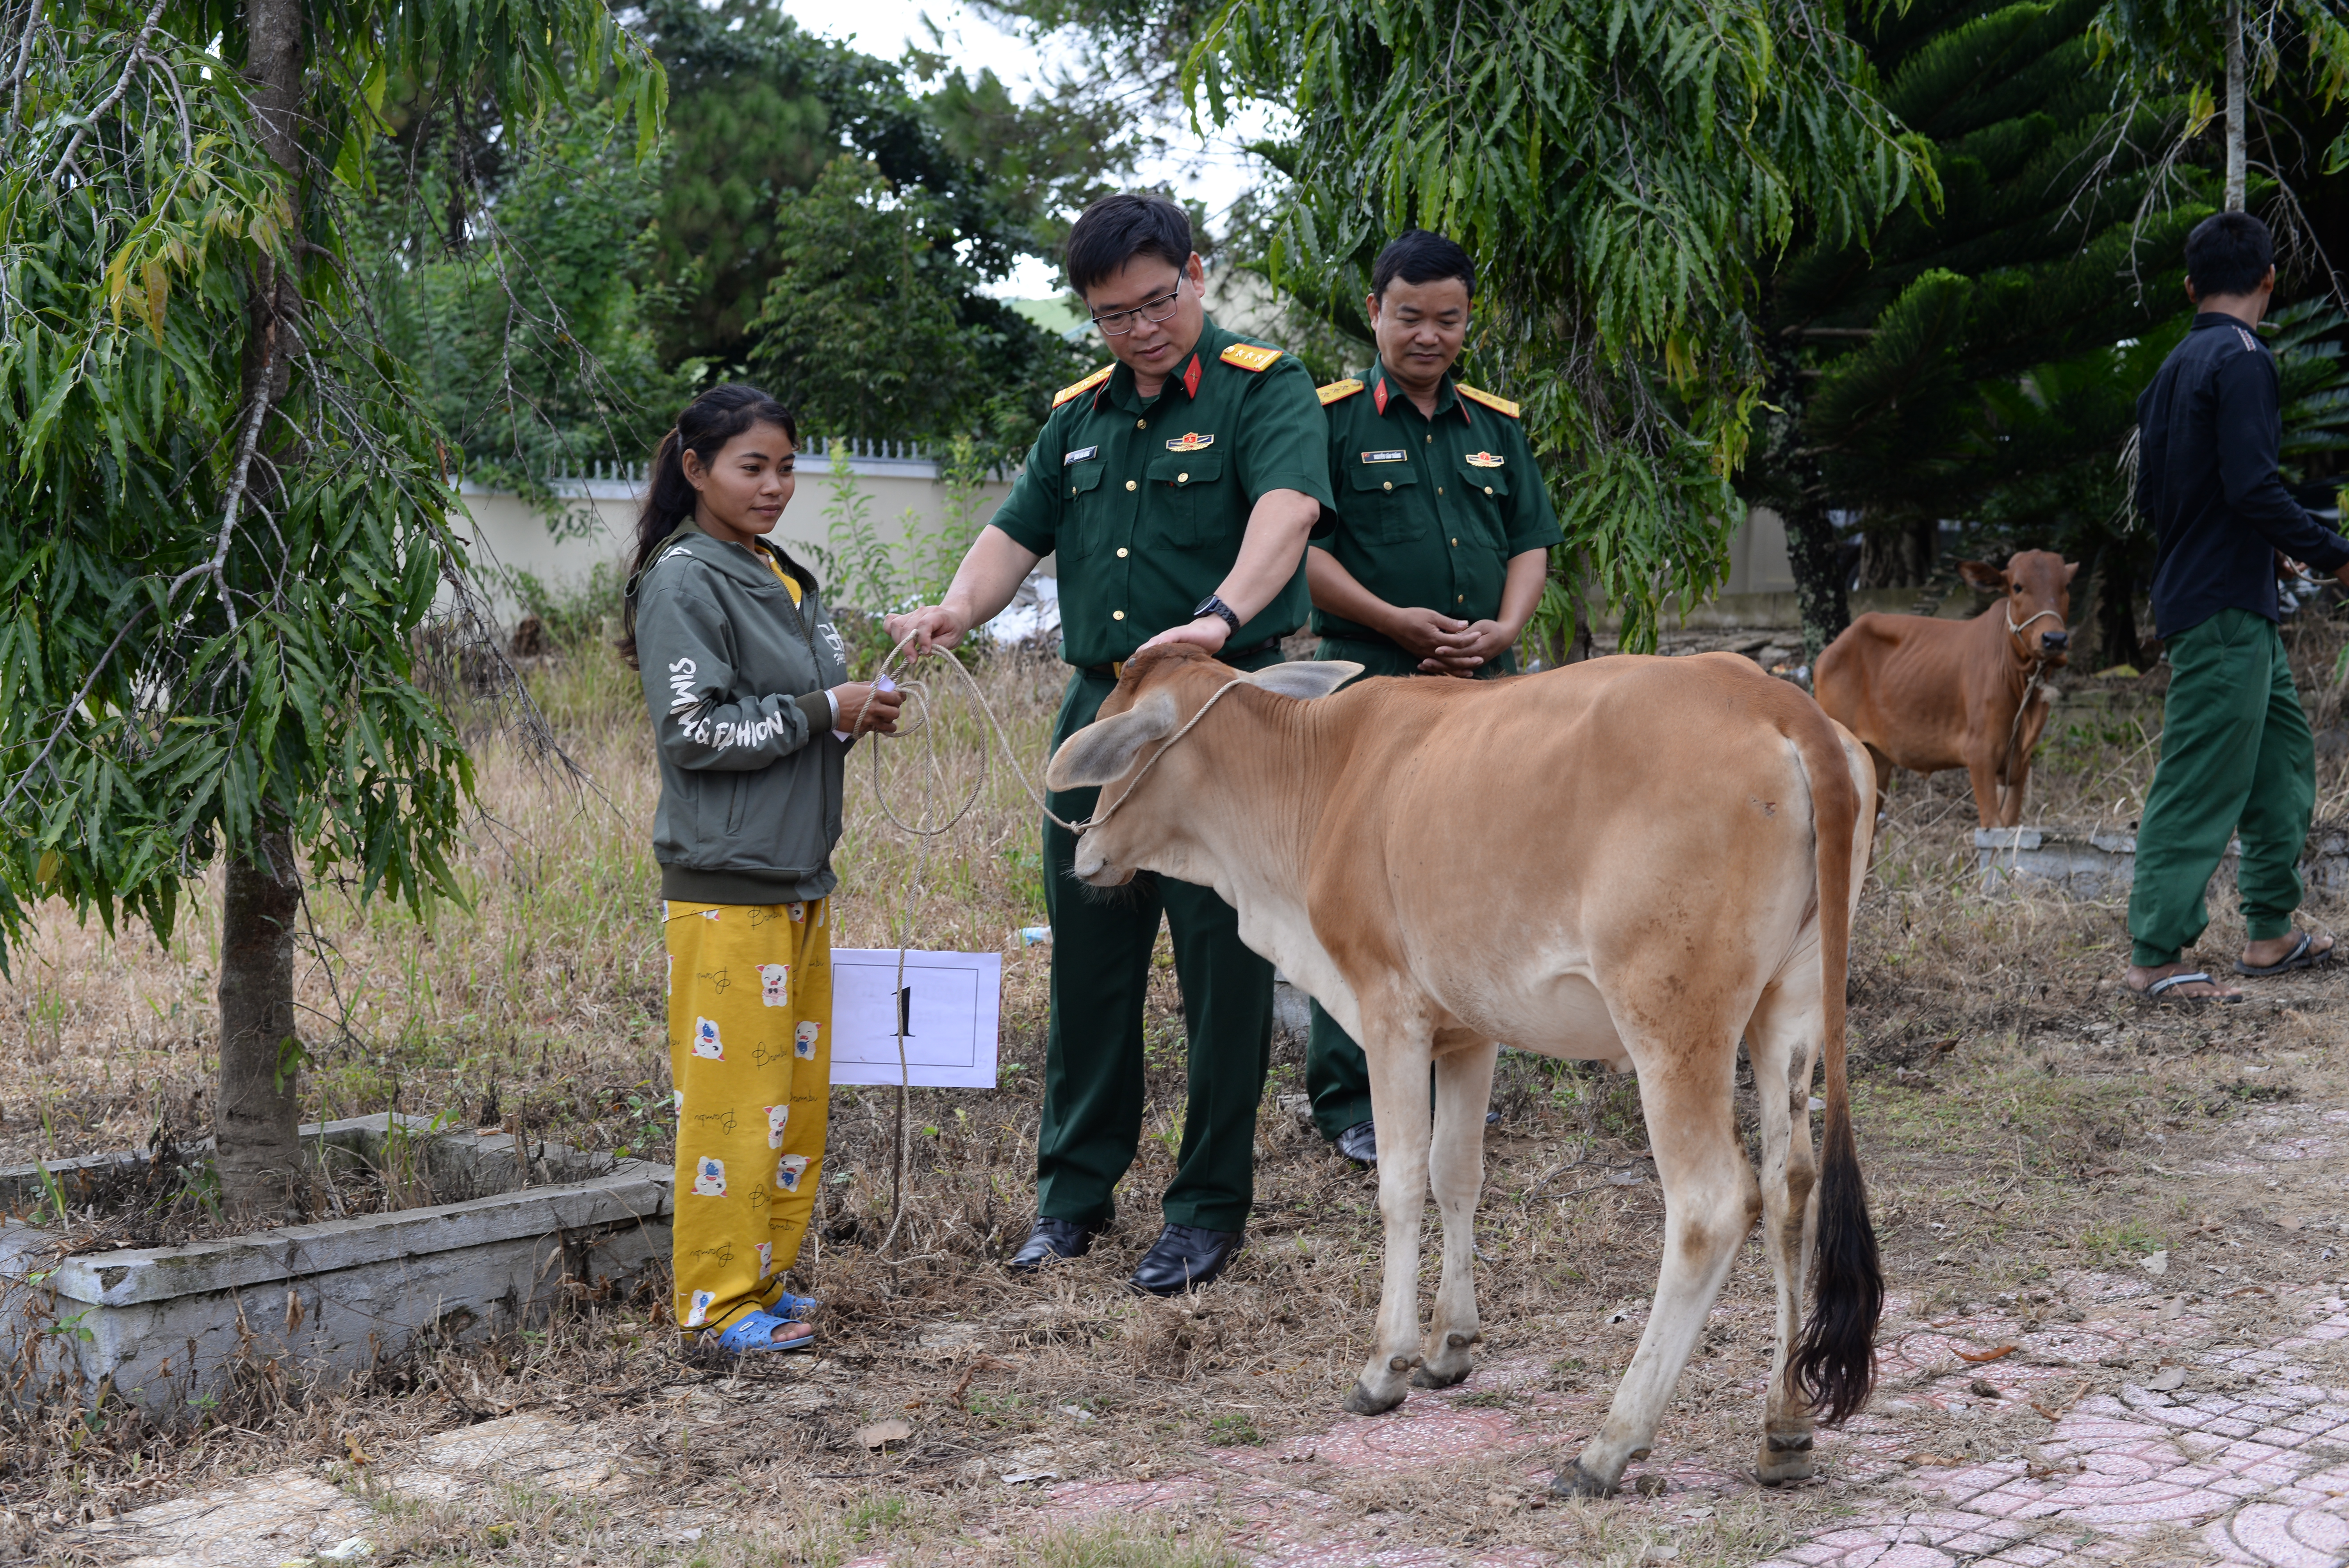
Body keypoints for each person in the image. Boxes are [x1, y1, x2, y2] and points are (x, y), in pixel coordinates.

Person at [886, 193, 1331, 1294]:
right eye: (1112, 315)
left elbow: (1286, 513)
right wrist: (955, 610)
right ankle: (1072, 1197)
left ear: (1195, 270)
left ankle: (1206, 1209)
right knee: (1090, 963)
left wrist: (1221, 614)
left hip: (1227, 710)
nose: (1140, 329)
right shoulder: (1079, 418)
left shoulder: (1263, 388)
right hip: (1103, 711)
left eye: (1156, 301)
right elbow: (1014, 532)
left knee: (1223, 973)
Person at [621, 383, 902, 1353]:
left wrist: (850, 715)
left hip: (798, 877)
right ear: (696, 470)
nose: (775, 485)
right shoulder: (685, 580)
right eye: (753, 466)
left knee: (792, 1100)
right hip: (724, 889)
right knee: (732, 1108)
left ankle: (764, 1279)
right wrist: (825, 710)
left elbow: (791, 719)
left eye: (787, 466)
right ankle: (713, 1303)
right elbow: (693, 732)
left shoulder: (779, 573)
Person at [1302, 230, 1561, 1162]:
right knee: (1363, 892)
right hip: (1371, 687)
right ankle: (1352, 1099)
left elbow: (1530, 539)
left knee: (1471, 878)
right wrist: (1395, 621)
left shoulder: (1495, 426)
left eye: (1446, 319)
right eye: (1407, 315)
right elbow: (1303, 549)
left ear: (1465, 322)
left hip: (1480, 691)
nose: (1427, 335)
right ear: (1373, 311)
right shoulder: (1327, 420)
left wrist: (1506, 628)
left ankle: (1459, 1072)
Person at [2123, 211, 2347, 1003]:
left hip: (2217, 597)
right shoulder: (2245, 357)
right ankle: (2155, 954)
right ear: (2266, 281)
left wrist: (2263, 544)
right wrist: (2331, 554)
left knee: (2283, 760)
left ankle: (2270, 932)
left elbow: (2159, 498)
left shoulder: (2172, 367)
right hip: (2221, 608)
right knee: (2197, 776)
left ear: (2189, 287)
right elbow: (2252, 486)